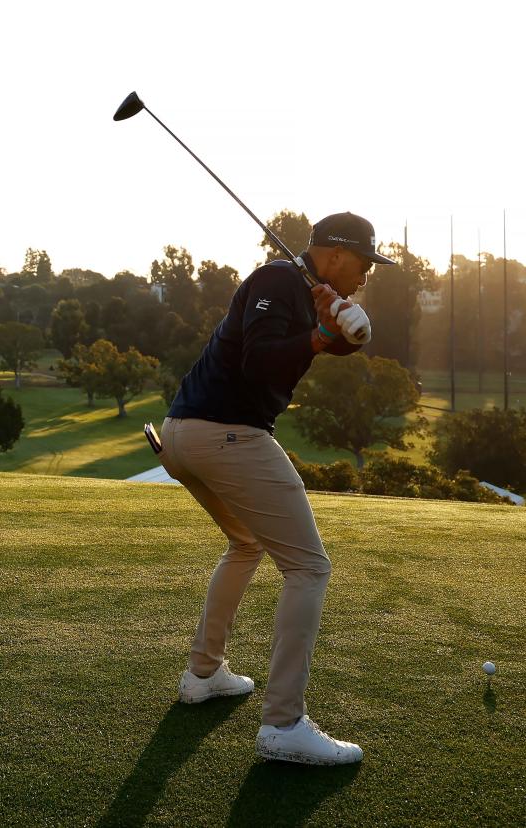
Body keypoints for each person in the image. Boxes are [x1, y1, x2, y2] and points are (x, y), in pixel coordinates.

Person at [156, 212, 393, 766]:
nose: (364, 277)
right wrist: (321, 334)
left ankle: (204, 673)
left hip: (184, 435)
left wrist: (344, 333)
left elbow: (323, 342)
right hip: (228, 433)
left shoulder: (302, 289)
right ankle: (284, 724)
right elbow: (261, 360)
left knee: (245, 543)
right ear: (334, 253)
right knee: (309, 567)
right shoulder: (275, 280)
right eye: (362, 264)